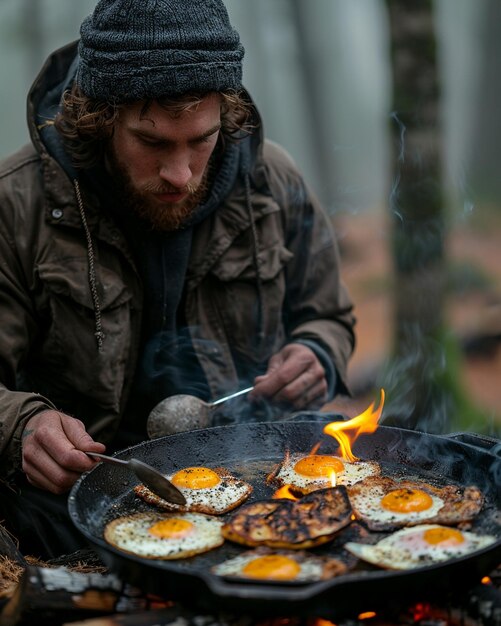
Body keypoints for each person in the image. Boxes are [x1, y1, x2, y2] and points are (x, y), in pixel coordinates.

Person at [0, 0, 355, 559]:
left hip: (254, 479)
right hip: (82, 497)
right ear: (100, 117)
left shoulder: (270, 181)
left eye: (202, 139)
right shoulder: (17, 203)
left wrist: (316, 351)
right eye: (153, 143)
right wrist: (22, 422)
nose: (181, 174)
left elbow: (328, 314)